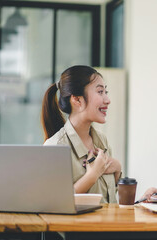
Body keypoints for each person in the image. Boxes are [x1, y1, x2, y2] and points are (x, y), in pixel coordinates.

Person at [41, 65, 121, 203]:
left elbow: (109, 200)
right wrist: (93, 175)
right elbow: (52, 203)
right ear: (77, 100)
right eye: (100, 92)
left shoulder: (102, 141)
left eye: (105, 92)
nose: (107, 100)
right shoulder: (54, 147)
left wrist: (117, 170)